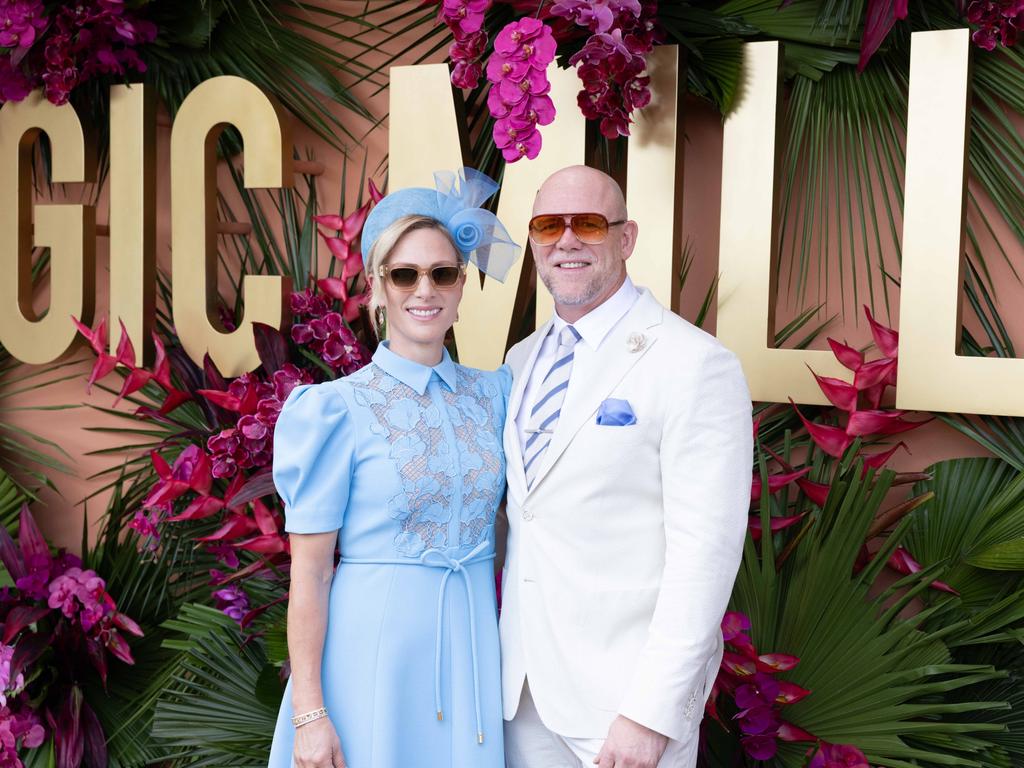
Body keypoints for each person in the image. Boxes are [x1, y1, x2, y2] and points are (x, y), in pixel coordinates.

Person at [500, 165, 753, 768]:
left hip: (624, 706)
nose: (566, 240)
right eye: (547, 225)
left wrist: (651, 712)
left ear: (626, 238)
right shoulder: (520, 359)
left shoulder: (695, 363)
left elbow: (705, 558)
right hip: (523, 693)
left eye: (587, 223)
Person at [267, 168, 520, 768]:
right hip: (372, 656)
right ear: (377, 289)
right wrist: (310, 712)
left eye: (442, 273)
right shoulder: (334, 410)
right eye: (404, 274)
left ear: (463, 287)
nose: (423, 290)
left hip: (472, 647)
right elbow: (311, 576)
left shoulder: (498, 394)